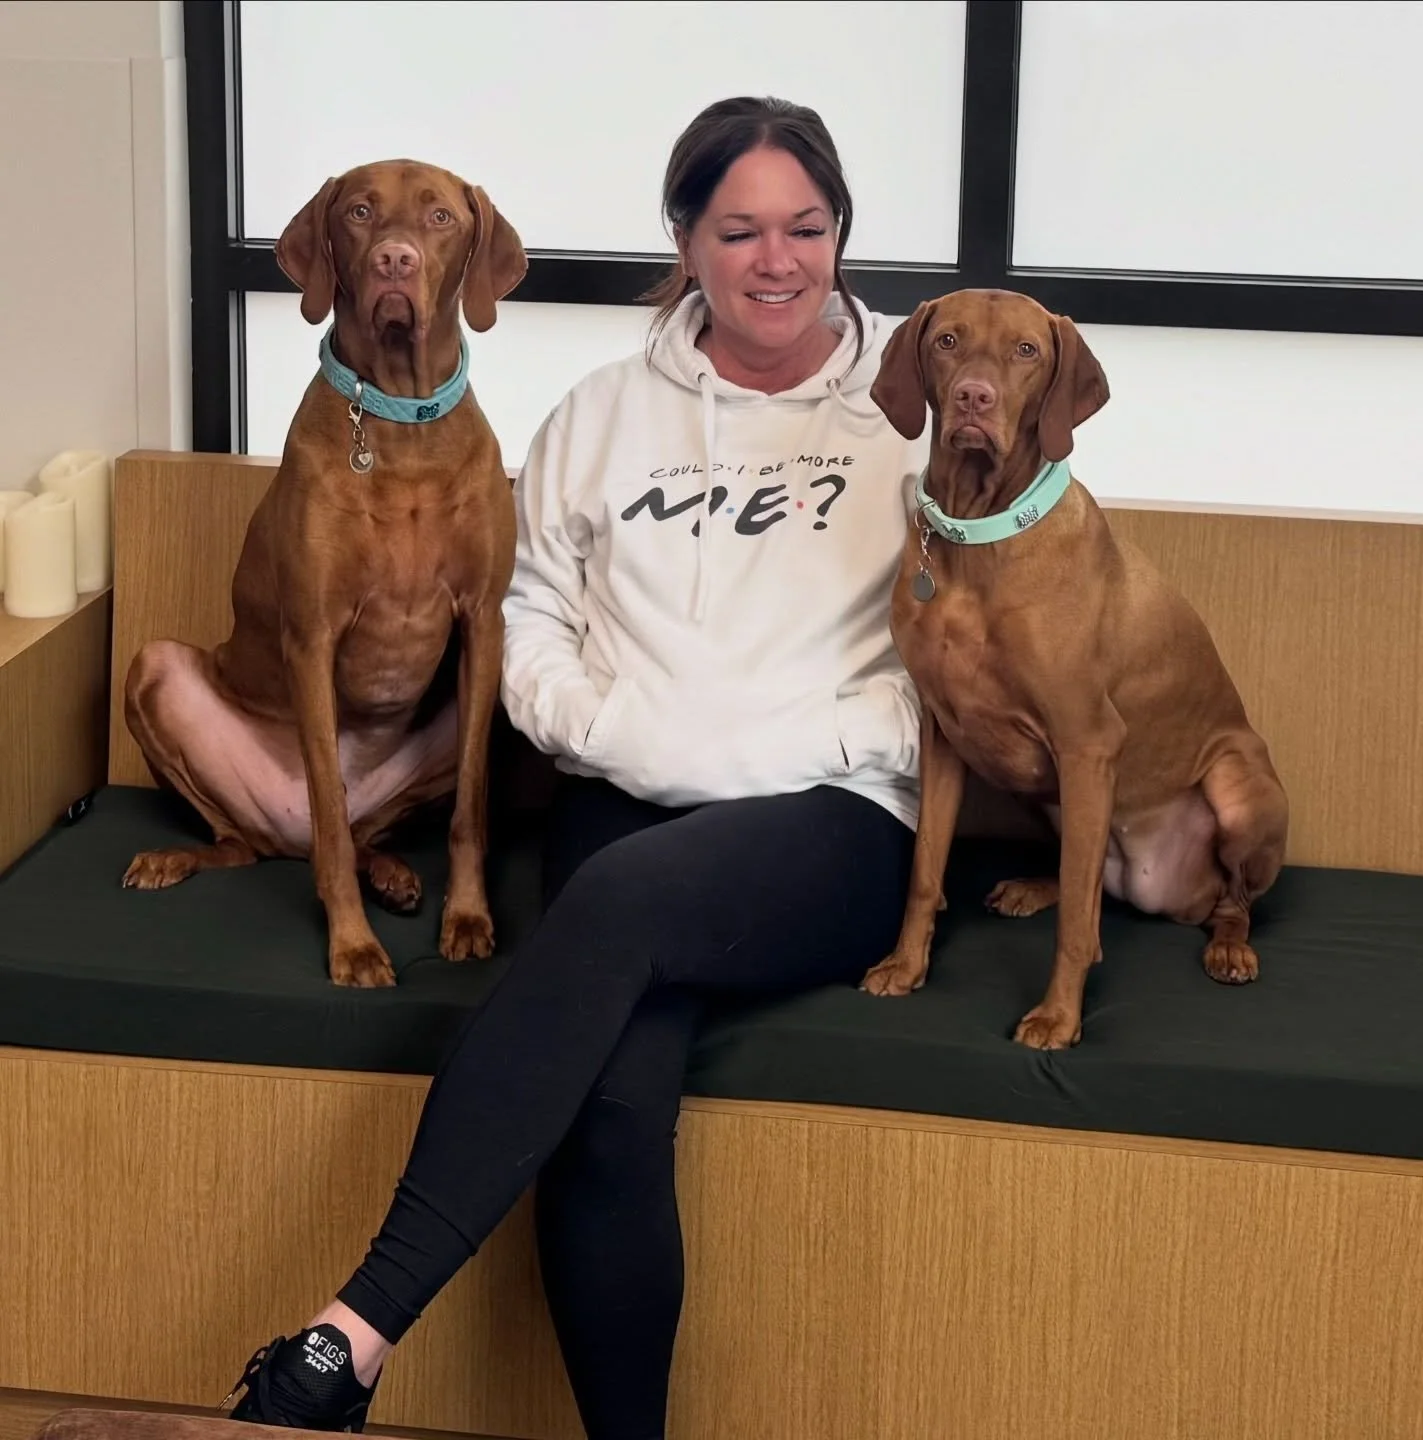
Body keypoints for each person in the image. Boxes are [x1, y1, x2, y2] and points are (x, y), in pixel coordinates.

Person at [225, 95, 929, 1439]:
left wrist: (814, 744)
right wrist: (607, 732)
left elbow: (1002, 615)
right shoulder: (603, 414)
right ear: (686, 238)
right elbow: (526, 612)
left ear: (841, 235)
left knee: (613, 907)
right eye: (738, 231)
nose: (775, 261)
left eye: (807, 228)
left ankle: (345, 1341)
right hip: (624, 791)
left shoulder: (914, 397)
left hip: (827, 813)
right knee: (608, 1113)